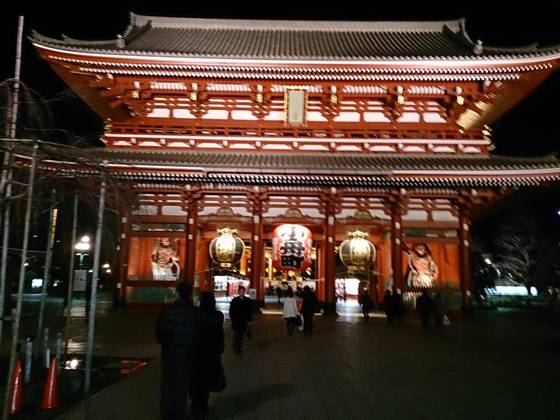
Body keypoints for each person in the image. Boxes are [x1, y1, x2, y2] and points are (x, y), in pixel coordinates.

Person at [155, 281, 198, 420]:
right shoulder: (195, 313)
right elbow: (198, 335)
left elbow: (160, 334)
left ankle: (166, 413)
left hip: (169, 353)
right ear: (190, 294)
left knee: (167, 384)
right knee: (182, 385)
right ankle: (179, 413)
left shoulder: (167, 312)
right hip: (187, 354)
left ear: (178, 293)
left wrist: (167, 344)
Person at [190, 292, 225, 420]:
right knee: (206, 380)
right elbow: (220, 335)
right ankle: (203, 405)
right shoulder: (218, 316)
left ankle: (196, 405)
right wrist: (220, 349)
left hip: (196, 352)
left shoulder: (195, 315)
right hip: (211, 353)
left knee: (196, 379)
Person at [229, 285, 253, 354]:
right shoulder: (234, 300)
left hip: (244, 321)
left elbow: (249, 311)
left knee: (241, 335)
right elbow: (231, 311)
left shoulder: (247, 300)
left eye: (243, 291)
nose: (242, 292)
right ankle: (236, 347)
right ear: (238, 292)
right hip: (236, 320)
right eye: (241, 291)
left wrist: (249, 320)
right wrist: (232, 319)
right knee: (237, 334)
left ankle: (238, 347)